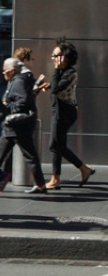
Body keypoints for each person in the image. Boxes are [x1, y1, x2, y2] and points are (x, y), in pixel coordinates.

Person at [37, 40, 95, 188]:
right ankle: (79, 170)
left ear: (65, 58)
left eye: (55, 56)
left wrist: (55, 72)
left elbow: (58, 89)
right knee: (58, 145)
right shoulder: (64, 72)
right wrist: (50, 84)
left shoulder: (70, 73)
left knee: (54, 144)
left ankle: (74, 172)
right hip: (60, 111)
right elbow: (56, 87)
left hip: (65, 112)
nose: (52, 58)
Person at [0, 56, 44, 194]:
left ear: (12, 71)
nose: (3, 73)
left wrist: (7, 106)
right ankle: (40, 184)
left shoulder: (18, 81)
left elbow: (22, 101)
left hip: (16, 125)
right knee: (28, 155)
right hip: (17, 126)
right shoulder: (21, 79)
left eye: (5, 71)